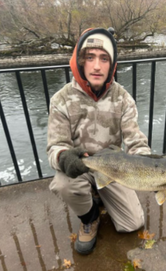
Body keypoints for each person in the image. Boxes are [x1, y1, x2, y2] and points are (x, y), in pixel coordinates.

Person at [47, 27, 151, 255]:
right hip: (80, 166)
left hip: (113, 167)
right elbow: (55, 146)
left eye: (104, 58)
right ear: (80, 62)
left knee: (133, 224)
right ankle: (90, 217)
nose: (96, 66)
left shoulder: (123, 98)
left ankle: (98, 193)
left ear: (112, 64)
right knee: (63, 184)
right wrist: (64, 157)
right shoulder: (61, 99)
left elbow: (135, 140)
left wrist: (148, 166)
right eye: (90, 57)